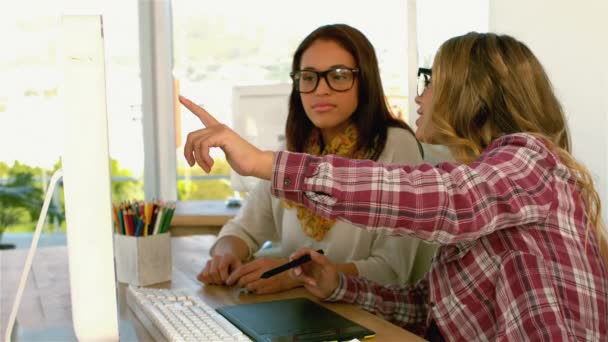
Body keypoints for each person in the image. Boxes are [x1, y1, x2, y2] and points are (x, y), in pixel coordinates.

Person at [180, 32, 608, 340]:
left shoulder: (531, 159)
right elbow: (427, 309)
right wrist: (337, 284)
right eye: (308, 77)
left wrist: (261, 163)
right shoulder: (491, 178)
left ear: (471, 93)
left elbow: (446, 199)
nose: (421, 96)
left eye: (430, 79)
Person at [195, 24, 435, 295]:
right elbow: (243, 229)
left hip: (363, 318)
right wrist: (226, 254)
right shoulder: (293, 151)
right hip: (296, 312)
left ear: (365, 81)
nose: (321, 89)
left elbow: (392, 269)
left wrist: (295, 274)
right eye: (309, 77)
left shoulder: (395, 145)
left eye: (339, 75)